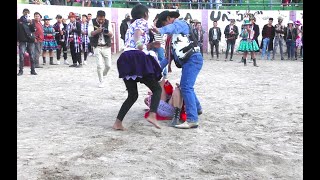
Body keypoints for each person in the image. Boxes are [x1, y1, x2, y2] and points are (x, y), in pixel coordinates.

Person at [113, 4, 163, 130]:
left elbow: (134, 39)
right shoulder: (142, 22)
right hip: (137, 58)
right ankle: (152, 114)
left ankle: (117, 122)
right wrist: (140, 44)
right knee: (157, 89)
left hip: (126, 58)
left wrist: (150, 45)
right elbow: (137, 35)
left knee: (132, 95)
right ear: (145, 14)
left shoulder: (131, 25)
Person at [152, 10, 203, 129]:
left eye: (164, 24)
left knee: (186, 87)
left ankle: (192, 120)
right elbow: (167, 58)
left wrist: (160, 30)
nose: (165, 27)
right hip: (190, 60)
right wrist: (156, 69)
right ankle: (198, 109)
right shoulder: (174, 39)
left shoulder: (180, 24)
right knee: (187, 86)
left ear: (169, 18)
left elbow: (172, 28)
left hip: (192, 59)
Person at [88, 10, 113, 88]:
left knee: (108, 66)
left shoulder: (108, 22)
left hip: (106, 46)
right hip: (97, 46)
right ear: (97, 17)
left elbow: (111, 35)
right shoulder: (92, 22)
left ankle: (103, 75)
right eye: (100, 19)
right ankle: (101, 81)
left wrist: (106, 32)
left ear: (105, 17)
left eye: (103, 19)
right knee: (99, 65)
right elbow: (90, 34)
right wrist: (97, 31)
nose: (101, 20)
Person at [17, 8, 37, 76]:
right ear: (23, 13)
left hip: (30, 40)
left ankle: (33, 70)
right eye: (25, 12)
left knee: (32, 55)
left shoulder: (32, 21)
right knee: (21, 56)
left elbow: (34, 30)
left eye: (27, 12)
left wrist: (31, 23)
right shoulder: (19, 21)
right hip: (22, 39)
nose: (26, 13)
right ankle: (21, 70)